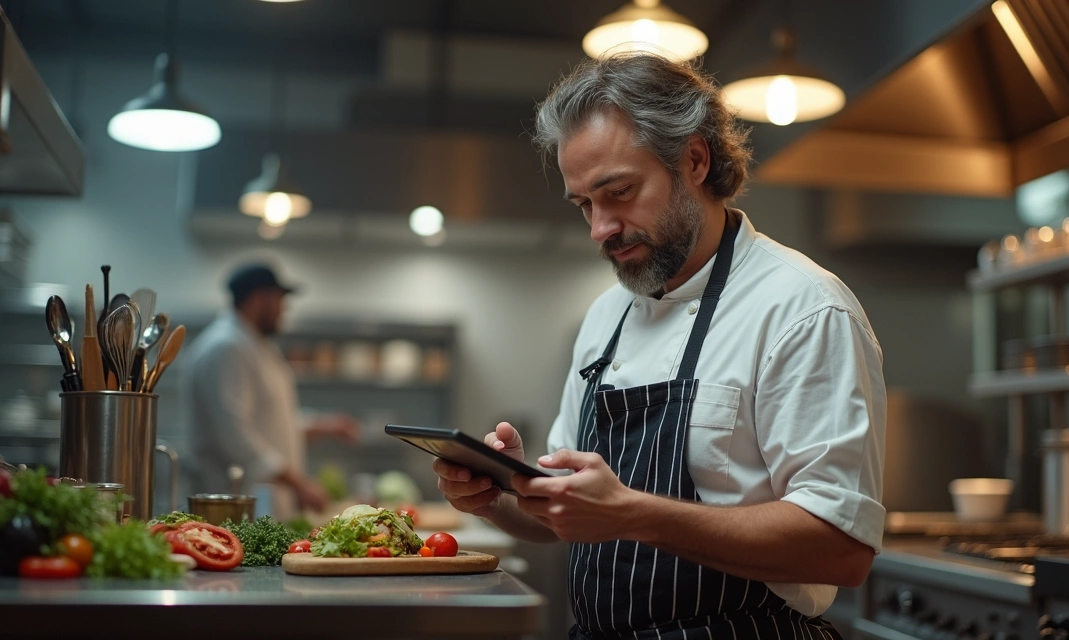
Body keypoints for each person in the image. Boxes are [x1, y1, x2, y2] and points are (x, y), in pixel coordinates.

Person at [433, 52, 886, 639]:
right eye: (585, 206)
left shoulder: (802, 309)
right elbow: (567, 520)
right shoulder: (606, 317)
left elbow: (841, 549)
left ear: (694, 159)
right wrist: (498, 496)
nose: (600, 228)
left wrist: (630, 512)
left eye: (618, 192)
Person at [183, 263, 360, 520]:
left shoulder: (255, 347)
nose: (284, 310)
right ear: (258, 299)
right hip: (229, 506)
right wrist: (299, 484)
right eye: (280, 300)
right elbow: (235, 436)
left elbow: (274, 423)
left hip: (260, 506)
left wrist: (326, 426)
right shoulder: (225, 348)